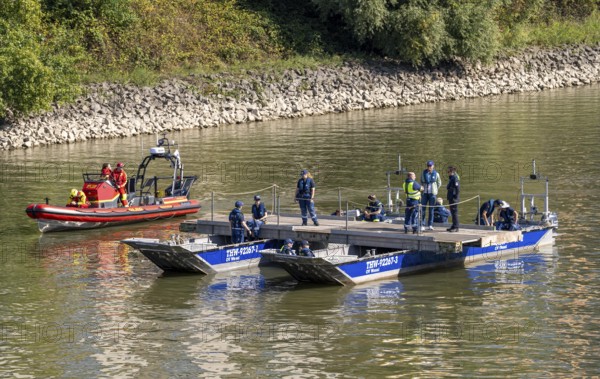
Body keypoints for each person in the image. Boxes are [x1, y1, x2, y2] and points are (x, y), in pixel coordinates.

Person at [420, 160, 442, 230]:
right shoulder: (423, 173)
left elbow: (439, 183)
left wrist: (435, 189)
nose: (429, 167)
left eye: (430, 166)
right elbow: (421, 181)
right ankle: (422, 224)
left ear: (433, 166)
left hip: (432, 194)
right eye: (428, 166)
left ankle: (430, 224)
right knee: (423, 209)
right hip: (424, 193)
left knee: (431, 209)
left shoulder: (436, 174)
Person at [446, 166, 460, 232]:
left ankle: (456, 226)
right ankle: (453, 225)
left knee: (454, 213)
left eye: (448, 172)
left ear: (452, 172)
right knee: (452, 212)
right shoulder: (451, 178)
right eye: (447, 172)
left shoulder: (455, 178)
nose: (447, 173)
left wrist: (455, 198)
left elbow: (457, 189)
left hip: (454, 198)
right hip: (451, 197)